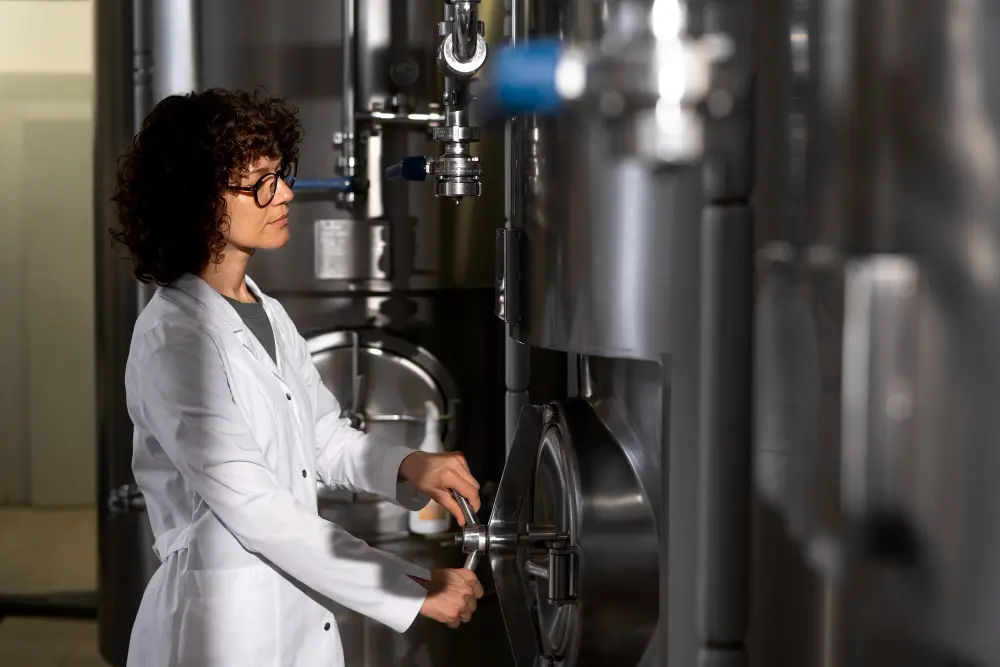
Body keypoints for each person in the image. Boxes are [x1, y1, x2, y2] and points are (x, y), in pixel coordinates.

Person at [110, 88, 484, 667]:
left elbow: (322, 434)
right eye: (258, 182)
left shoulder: (265, 311)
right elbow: (257, 508)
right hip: (220, 634)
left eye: (279, 174)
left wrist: (407, 465)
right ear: (198, 200)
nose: (284, 193)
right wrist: (411, 588)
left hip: (294, 618)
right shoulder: (175, 339)